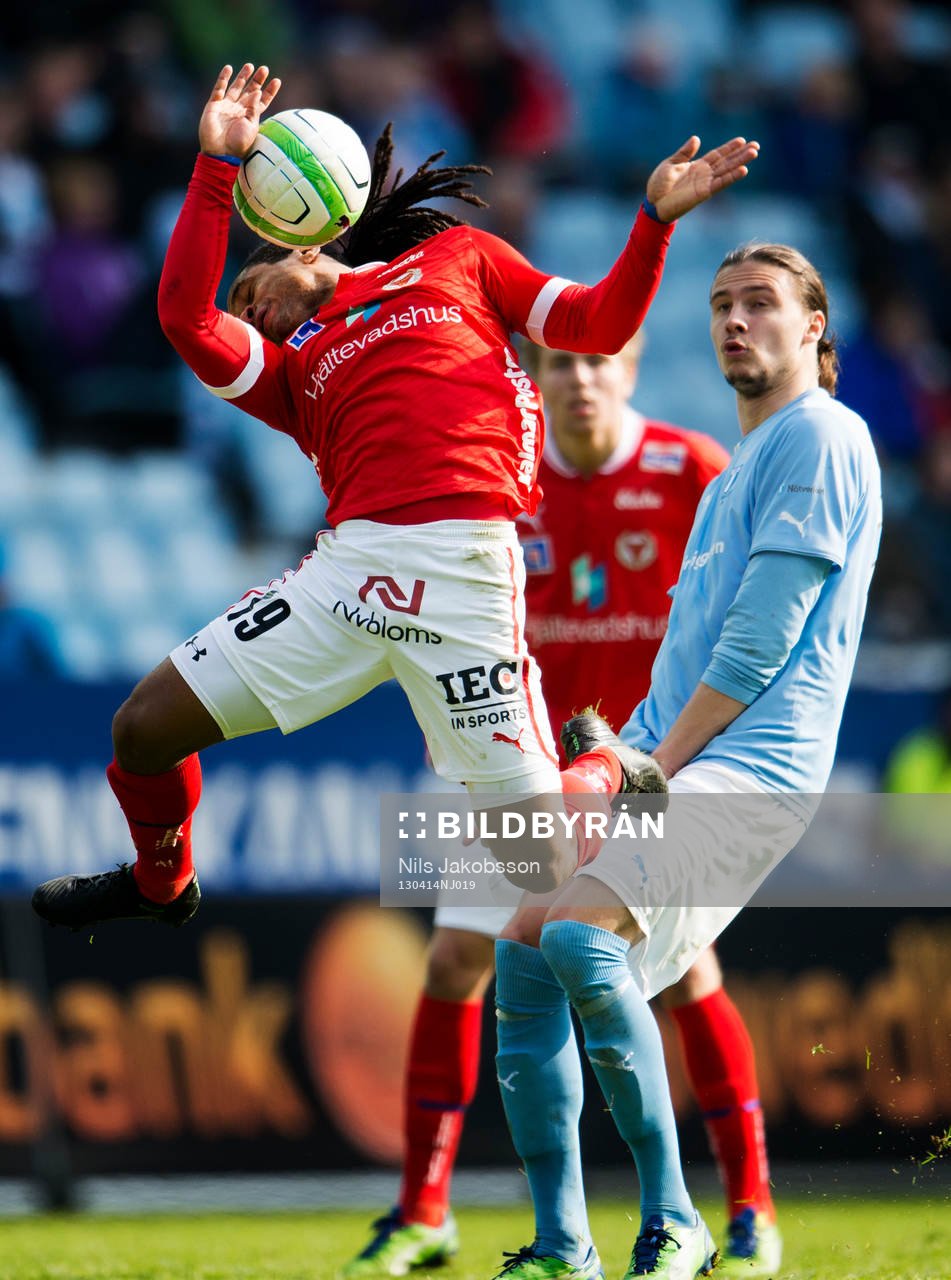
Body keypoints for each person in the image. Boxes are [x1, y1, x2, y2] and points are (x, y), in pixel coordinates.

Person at [31, 63, 757, 936]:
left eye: (251, 282)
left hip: (464, 573)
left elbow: (597, 325)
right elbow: (185, 316)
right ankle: (161, 884)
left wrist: (650, 222)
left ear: (305, 244)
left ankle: (609, 768)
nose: (243, 301)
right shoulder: (295, 370)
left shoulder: (458, 260)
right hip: (350, 573)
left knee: (542, 865)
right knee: (142, 730)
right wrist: (217, 166)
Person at [343, 338, 780, 1279]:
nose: (578, 380)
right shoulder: (504, 468)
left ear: (629, 372)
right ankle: (423, 1210)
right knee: (462, 956)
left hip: (640, 765)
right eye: (558, 366)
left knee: (682, 973)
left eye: (598, 363)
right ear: (536, 380)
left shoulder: (689, 468)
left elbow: (747, 607)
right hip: (515, 763)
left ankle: (747, 1209)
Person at [490, 243, 882, 1279]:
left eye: (761, 302)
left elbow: (758, 645)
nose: (735, 320)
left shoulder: (823, 436)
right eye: (720, 305)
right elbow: (680, 663)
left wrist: (643, 764)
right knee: (523, 944)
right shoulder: (735, 474)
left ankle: (682, 1217)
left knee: (578, 933)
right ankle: (562, 1241)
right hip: (683, 761)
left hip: (760, 764)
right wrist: (621, 753)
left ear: (814, 329)